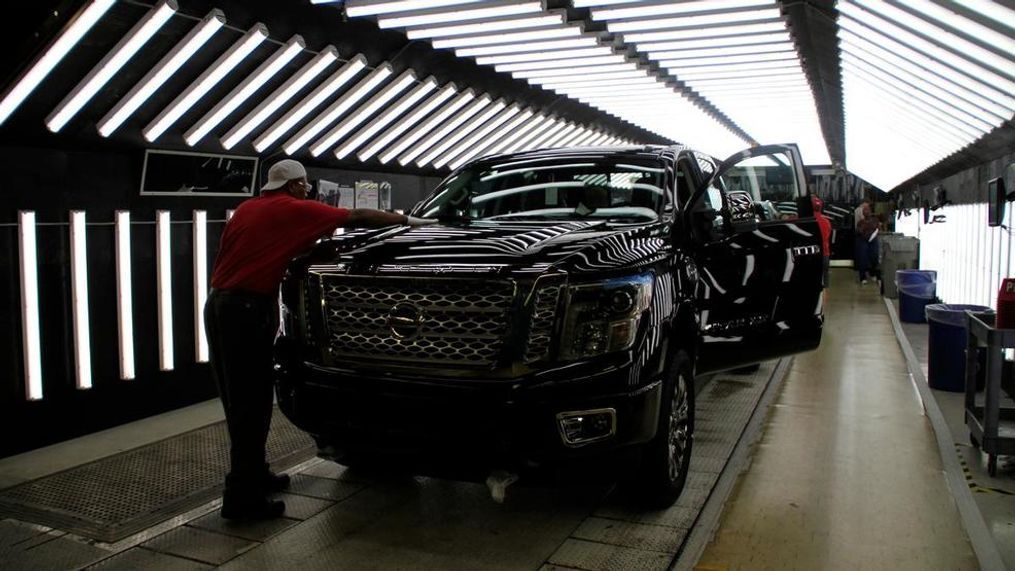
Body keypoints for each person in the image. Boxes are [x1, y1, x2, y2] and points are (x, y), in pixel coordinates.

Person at [205, 159, 435, 520]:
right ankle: (242, 498)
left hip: (219, 304)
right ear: (296, 185)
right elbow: (357, 216)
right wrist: (410, 221)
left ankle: (255, 474)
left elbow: (261, 251)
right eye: (305, 184)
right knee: (253, 401)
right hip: (248, 311)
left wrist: (310, 254)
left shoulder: (249, 208)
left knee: (238, 399)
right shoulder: (295, 207)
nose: (308, 189)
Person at [812, 196, 832, 293]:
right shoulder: (827, 222)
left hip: (813, 255)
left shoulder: (807, 222)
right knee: (825, 278)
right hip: (825, 253)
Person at [855, 208, 880, 285]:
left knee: (874, 257)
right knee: (862, 258)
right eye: (865, 212)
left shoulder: (875, 220)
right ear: (863, 214)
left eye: (868, 212)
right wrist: (864, 230)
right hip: (863, 240)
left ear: (870, 212)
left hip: (873, 240)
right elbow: (859, 231)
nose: (866, 213)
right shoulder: (860, 222)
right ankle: (862, 277)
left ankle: (872, 273)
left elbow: (878, 228)